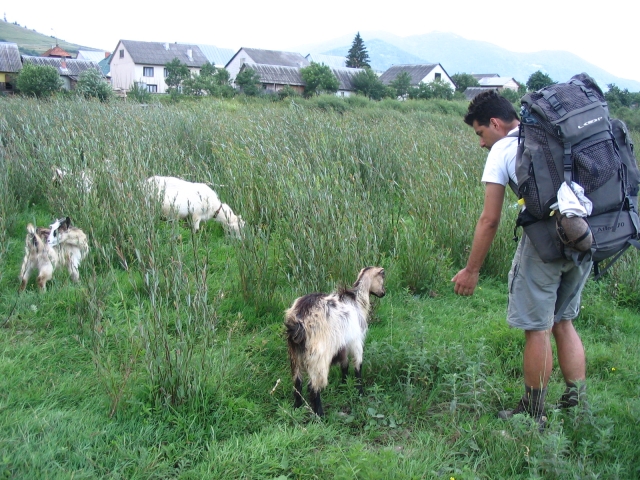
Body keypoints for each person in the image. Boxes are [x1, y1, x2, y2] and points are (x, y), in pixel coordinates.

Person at [451, 90, 590, 428]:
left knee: (537, 328)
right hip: (584, 236)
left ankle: (532, 413)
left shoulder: (503, 149)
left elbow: (490, 219)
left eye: (480, 133)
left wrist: (471, 270)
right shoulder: (556, 135)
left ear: (495, 123)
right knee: (563, 321)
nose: (481, 143)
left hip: (544, 244)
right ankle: (577, 402)